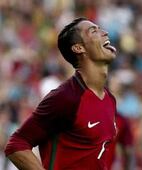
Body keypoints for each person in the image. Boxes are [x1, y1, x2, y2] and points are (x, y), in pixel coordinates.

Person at [4, 17, 118, 170]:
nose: (105, 33)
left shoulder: (110, 99)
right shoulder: (66, 97)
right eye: (94, 31)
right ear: (79, 48)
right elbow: (17, 144)